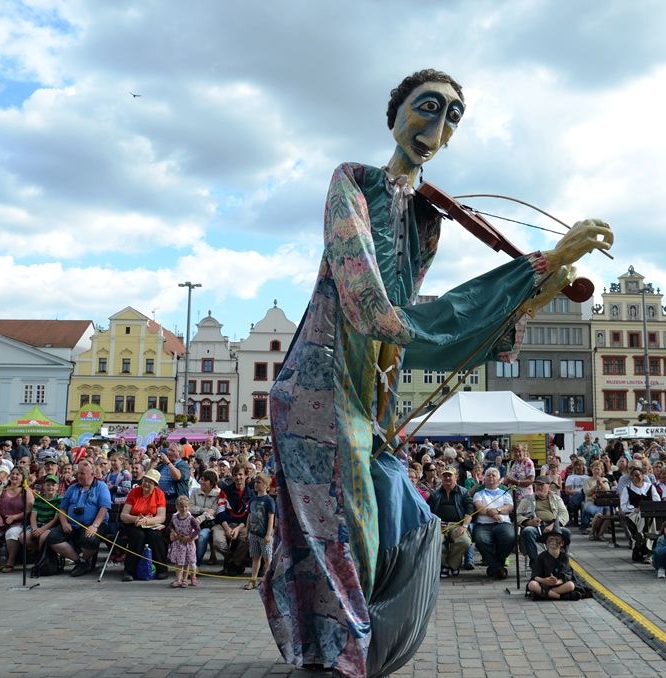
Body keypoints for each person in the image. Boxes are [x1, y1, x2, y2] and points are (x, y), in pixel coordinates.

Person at [259, 67, 612, 676]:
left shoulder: (427, 219)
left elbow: (417, 319)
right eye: (427, 106)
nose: (437, 124)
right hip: (320, 383)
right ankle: (347, 655)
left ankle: (341, 651)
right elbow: (371, 305)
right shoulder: (353, 180)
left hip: (372, 392)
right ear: (394, 114)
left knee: (382, 522)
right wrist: (535, 268)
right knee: (348, 531)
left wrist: (535, 285)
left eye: (452, 117)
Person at [47, 458, 111, 578]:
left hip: (93, 524)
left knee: (90, 540)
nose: (79, 476)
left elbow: (104, 507)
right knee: (52, 537)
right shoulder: (73, 487)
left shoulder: (101, 486)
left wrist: (94, 526)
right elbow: (63, 508)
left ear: (92, 474)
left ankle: (83, 560)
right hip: (72, 524)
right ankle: (80, 562)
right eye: (78, 473)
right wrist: (64, 522)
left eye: (82, 473)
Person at [516, 475, 570, 573]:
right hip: (535, 527)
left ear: (548, 486)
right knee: (528, 531)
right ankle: (536, 563)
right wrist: (529, 522)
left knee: (566, 532)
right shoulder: (527, 499)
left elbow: (564, 515)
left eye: (541, 485)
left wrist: (553, 525)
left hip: (553, 526)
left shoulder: (556, 498)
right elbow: (517, 515)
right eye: (536, 485)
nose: (538, 487)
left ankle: (561, 560)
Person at [0, 468, 33, 573]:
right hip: (0, 521)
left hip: (17, 522)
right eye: (13, 474)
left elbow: (28, 511)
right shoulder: (2, 489)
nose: (14, 476)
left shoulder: (26, 491)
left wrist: (15, 517)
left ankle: (10, 561)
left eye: (18, 474)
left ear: (23, 477)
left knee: (11, 534)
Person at [427, 468, 473, 578]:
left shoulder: (463, 492)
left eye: (450, 475)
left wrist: (464, 526)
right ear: (441, 478)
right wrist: (436, 523)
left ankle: (452, 565)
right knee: (435, 541)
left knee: (465, 541)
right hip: (439, 525)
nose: (447, 478)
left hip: (457, 524)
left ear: (455, 477)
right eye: (445, 476)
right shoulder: (435, 494)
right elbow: (428, 512)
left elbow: (469, 511)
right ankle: (443, 565)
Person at [473, 467, 515, 580]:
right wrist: (492, 514)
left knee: (510, 537)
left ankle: (495, 565)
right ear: (484, 479)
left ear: (498, 479)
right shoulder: (479, 493)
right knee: (481, 539)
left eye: (493, 475)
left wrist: (498, 511)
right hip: (483, 524)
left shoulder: (505, 492)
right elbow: (479, 507)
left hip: (503, 523)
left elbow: (509, 507)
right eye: (488, 475)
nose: (491, 477)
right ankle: (499, 568)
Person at [244, 472, 276, 591]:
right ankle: (253, 579)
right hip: (254, 533)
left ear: (266, 485)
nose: (256, 484)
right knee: (255, 557)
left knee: (267, 558)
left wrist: (268, 534)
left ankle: (267, 581)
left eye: (259, 482)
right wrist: (247, 531)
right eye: (256, 482)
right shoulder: (252, 499)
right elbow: (249, 516)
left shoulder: (269, 500)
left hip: (264, 534)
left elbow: (271, 517)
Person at [526, 531, 578, 600]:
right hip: (543, 584)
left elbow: (567, 575)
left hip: (558, 584)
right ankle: (558, 596)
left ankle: (545, 594)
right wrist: (545, 580)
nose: (553, 542)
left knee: (571, 585)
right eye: (551, 539)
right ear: (546, 542)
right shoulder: (541, 557)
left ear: (562, 543)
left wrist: (556, 582)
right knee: (532, 584)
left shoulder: (564, 557)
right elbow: (535, 576)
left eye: (557, 540)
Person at [168, 495, 200, 588]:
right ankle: (178, 579)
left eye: (186, 506)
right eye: (181, 506)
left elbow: (198, 529)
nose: (184, 509)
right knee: (178, 563)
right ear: (177, 507)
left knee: (186, 563)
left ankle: (185, 579)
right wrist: (173, 532)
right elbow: (170, 526)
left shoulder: (191, 519)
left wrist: (190, 537)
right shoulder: (174, 518)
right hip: (178, 542)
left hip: (187, 543)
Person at [27, 474, 62, 554]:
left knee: (43, 537)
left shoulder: (60, 499)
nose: (50, 487)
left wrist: (42, 530)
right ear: (44, 486)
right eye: (48, 485)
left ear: (57, 487)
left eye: (53, 485)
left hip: (51, 526)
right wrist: (35, 529)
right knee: (23, 537)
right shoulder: (38, 499)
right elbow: (33, 516)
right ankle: (42, 552)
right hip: (38, 524)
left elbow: (55, 520)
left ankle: (41, 557)